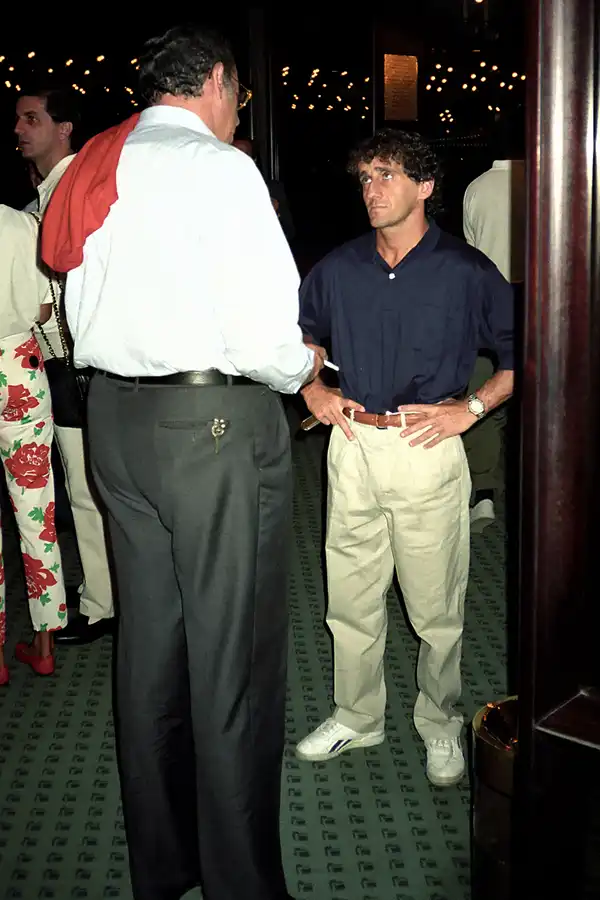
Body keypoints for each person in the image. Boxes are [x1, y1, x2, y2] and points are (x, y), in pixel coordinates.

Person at [41, 24, 325, 900]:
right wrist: (304, 364)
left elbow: (73, 297)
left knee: (152, 651)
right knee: (231, 658)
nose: (238, 112)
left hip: (116, 425)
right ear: (212, 82)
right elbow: (264, 335)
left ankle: (164, 866)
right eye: (237, 95)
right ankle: (242, 881)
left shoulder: (99, 157)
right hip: (209, 427)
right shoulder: (220, 168)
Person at [295, 129, 514, 786]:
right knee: (350, 599)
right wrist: (311, 386)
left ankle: (439, 721)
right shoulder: (337, 267)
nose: (371, 189)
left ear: (425, 186)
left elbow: (524, 353)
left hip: (426, 448)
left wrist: (470, 409)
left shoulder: (466, 270)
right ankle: (357, 715)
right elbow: (299, 337)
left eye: (386, 175)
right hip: (353, 446)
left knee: (434, 605)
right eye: (365, 177)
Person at [15, 84, 115, 644]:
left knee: (90, 488)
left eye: (33, 118)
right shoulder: (48, 192)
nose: (20, 129)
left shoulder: (75, 188)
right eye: (18, 120)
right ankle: (105, 595)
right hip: (66, 359)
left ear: (65, 127)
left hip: (83, 360)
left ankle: (105, 603)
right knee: (87, 486)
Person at [0, 205, 67, 684]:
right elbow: (43, 311)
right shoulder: (21, 224)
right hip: (17, 366)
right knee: (36, 512)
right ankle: (44, 644)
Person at [462, 116, 526, 531]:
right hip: (537, 302)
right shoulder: (544, 184)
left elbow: (472, 253)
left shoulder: (476, 188)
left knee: (486, 393)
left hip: (487, 304)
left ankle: (483, 493)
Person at [232, 137, 296, 241]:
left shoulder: (271, 189)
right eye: (232, 152)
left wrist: (275, 214)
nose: (236, 157)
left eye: (243, 154)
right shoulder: (215, 185)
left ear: (252, 159)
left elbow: (289, 232)